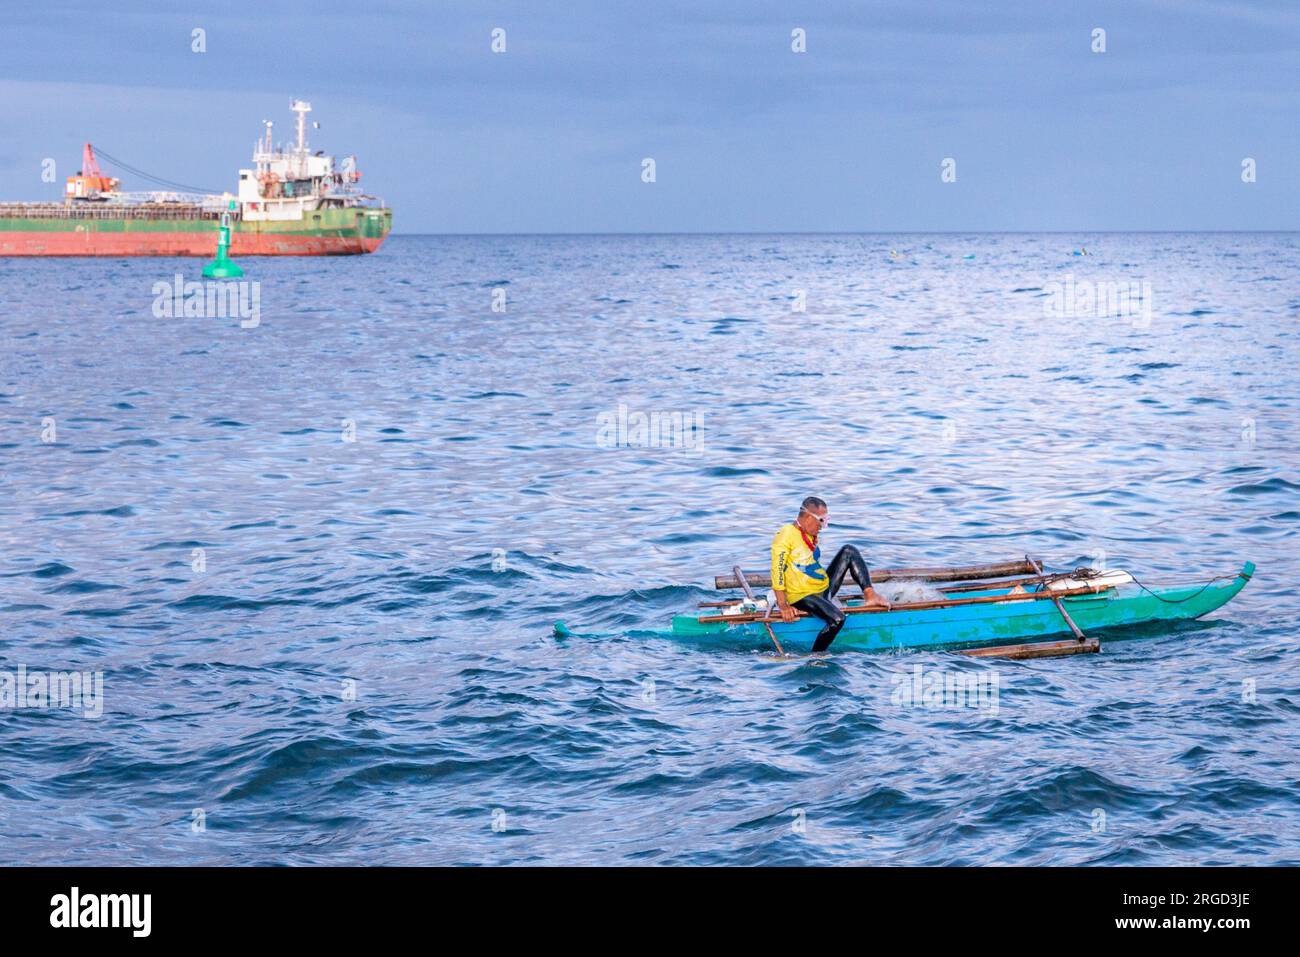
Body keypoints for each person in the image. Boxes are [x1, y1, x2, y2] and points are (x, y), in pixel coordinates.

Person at [770, 496, 889, 652]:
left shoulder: (808, 534)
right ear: (807, 518)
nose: (823, 526)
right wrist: (783, 605)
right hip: (802, 596)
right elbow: (776, 569)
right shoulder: (786, 534)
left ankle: (870, 594)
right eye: (821, 520)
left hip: (821, 590)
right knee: (838, 619)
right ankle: (816, 657)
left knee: (848, 551)